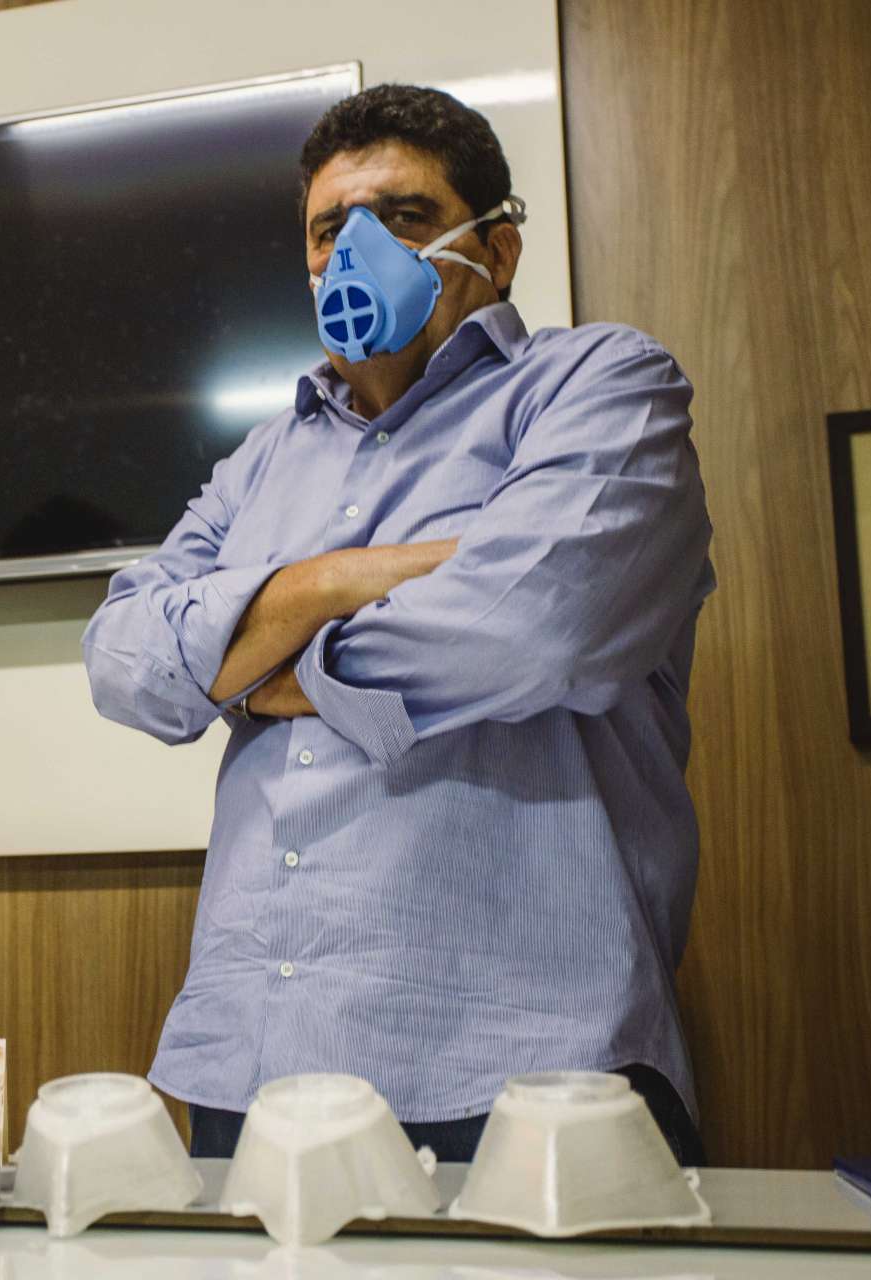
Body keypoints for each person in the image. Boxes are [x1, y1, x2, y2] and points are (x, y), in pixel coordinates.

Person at [82, 84, 714, 1164]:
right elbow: (123, 659)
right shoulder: (259, 462)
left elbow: (535, 625)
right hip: (253, 1058)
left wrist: (260, 663)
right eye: (330, 228)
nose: (356, 250)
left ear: (498, 249)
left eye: (404, 216)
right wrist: (336, 580)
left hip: (531, 1062)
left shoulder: (599, 385)